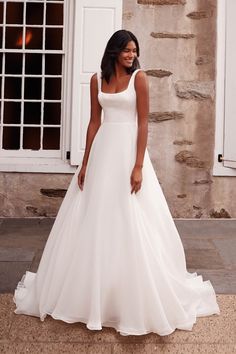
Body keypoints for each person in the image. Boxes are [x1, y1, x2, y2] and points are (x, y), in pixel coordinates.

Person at [13, 30, 220, 336]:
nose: (131, 55)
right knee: (95, 218)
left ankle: (131, 293)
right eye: (126, 50)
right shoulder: (98, 79)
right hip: (102, 155)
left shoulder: (140, 78)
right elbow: (94, 122)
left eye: (134, 50)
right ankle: (91, 291)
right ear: (114, 52)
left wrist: (138, 166)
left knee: (132, 216)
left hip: (127, 153)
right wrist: (84, 164)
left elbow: (143, 121)